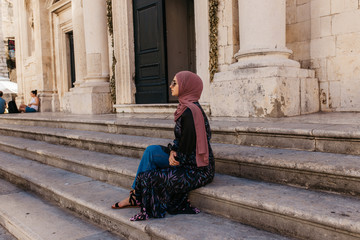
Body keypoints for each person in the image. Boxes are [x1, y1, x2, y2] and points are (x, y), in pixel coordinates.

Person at [111, 71, 215, 221]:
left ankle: (136, 197)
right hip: (185, 157)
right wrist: (173, 150)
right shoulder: (185, 108)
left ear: (186, 86)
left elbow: (188, 149)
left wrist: (175, 154)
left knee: (152, 167)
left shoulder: (191, 113)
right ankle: (135, 195)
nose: (170, 86)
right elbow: (181, 140)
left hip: (197, 168)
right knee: (151, 151)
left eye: (175, 83)